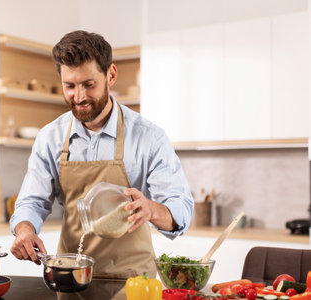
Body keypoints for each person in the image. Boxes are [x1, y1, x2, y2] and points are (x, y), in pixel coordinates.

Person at [10, 30, 194, 279]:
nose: (79, 97)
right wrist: (24, 230)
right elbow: (32, 202)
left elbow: (180, 208)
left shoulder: (149, 137)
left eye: (89, 84)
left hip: (133, 282)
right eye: (70, 86)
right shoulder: (50, 137)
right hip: (71, 276)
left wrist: (152, 210)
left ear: (111, 75)